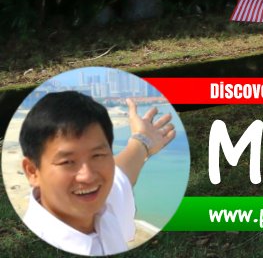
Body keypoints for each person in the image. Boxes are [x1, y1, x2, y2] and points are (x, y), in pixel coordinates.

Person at [18, 91, 177, 256]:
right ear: (32, 171)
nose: (87, 176)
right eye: (67, 162)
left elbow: (121, 174)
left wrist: (143, 140)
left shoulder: (103, 204)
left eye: (98, 155)